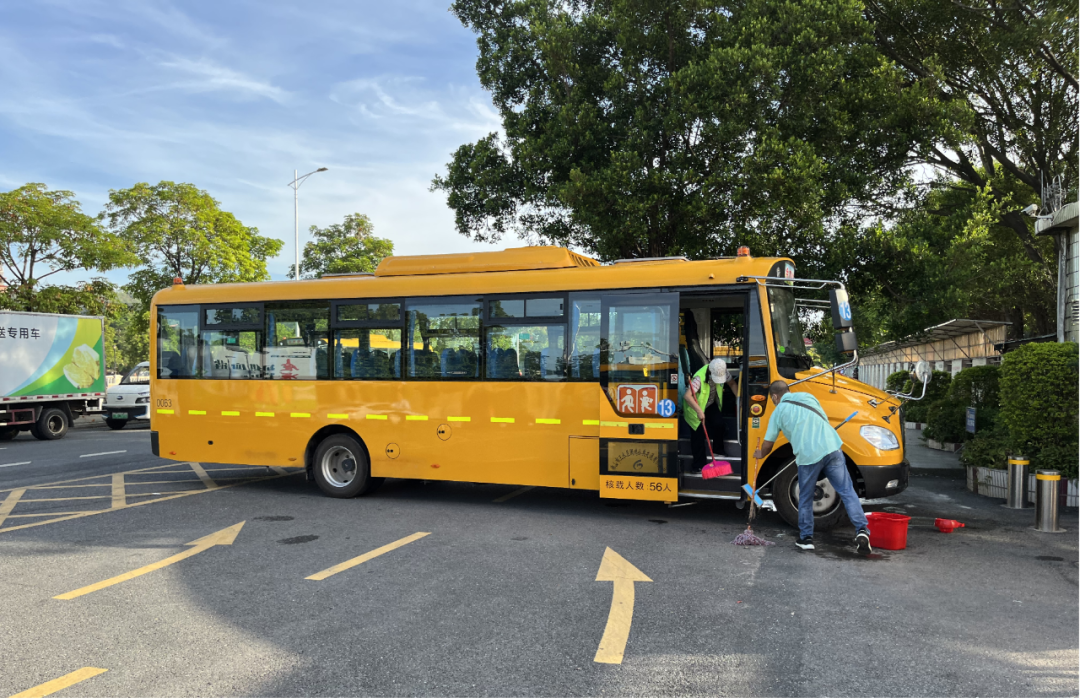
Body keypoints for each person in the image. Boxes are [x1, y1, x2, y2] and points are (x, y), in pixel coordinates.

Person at [753, 380, 871, 554]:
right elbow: (820, 418)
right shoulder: (807, 397)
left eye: (772, 399)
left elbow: (768, 445)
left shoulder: (778, 412)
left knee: (806, 498)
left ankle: (806, 538)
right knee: (847, 491)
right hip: (832, 448)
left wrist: (759, 454)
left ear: (775, 396)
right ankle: (862, 530)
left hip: (808, 457)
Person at [682, 358, 739, 471]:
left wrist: (739, 399)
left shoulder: (723, 372)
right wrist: (699, 411)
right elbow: (687, 396)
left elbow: (732, 383)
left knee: (719, 424)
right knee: (698, 436)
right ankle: (698, 465)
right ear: (710, 372)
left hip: (709, 403)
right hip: (694, 407)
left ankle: (718, 450)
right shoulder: (699, 378)